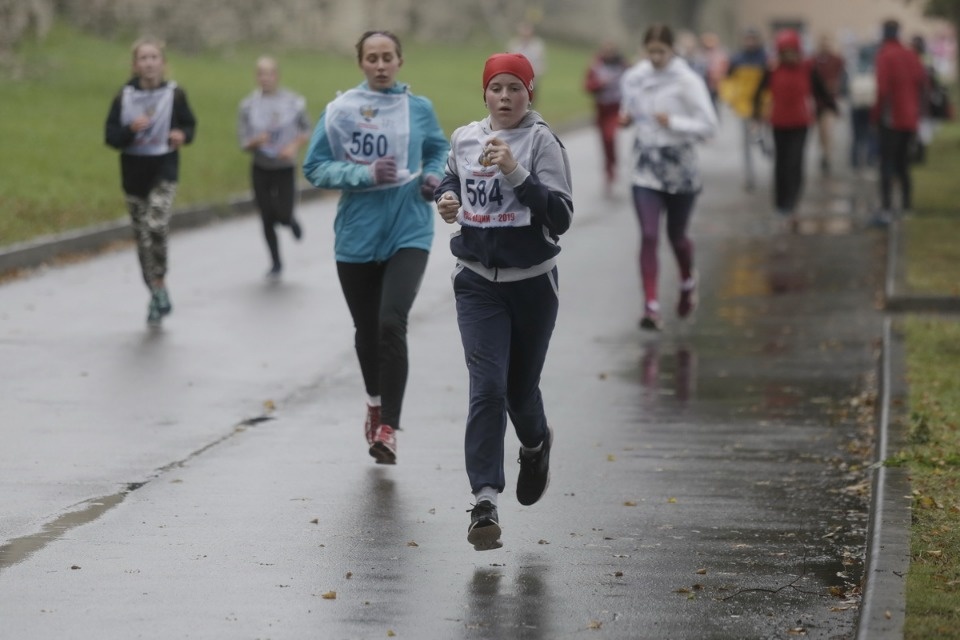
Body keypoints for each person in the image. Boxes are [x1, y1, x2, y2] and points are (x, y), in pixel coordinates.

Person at [434, 53, 573, 551]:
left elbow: (559, 216)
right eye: (497, 88)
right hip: (477, 283)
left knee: (519, 390)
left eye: (516, 88)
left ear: (529, 94)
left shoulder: (542, 142)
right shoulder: (465, 137)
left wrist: (516, 172)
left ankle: (536, 446)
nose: (506, 97)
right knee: (487, 387)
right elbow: (452, 178)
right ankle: (485, 501)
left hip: (533, 283)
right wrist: (447, 199)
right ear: (485, 94)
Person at [302, 30, 449, 465]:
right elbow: (314, 166)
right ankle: (373, 401)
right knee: (367, 332)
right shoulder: (342, 110)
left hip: (410, 230)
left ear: (400, 61)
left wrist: (433, 176)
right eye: (372, 58)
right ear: (361, 64)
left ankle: (388, 426)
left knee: (391, 322)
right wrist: (364, 175)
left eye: (388, 57)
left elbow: (438, 148)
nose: (381, 65)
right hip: (357, 236)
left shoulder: (418, 108)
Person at [619, 23, 718, 331]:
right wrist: (626, 119)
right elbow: (630, 109)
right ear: (644, 50)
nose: (656, 58)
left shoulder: (687, 80)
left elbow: (709, 126)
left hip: (680, 165)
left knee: (677, 236)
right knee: (649, 235)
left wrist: (673, 121)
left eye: (662, 52)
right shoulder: (634, 77)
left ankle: (688, 280)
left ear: (672, 50)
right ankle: (651, 305)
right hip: (646, 163)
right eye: (651, 52)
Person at [104, 36, 197, 327]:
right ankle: (158, 291)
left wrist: (182, 135)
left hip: (164, 169)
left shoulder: (175, 94)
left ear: (163, 63)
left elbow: (189, 124)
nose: (149, 62)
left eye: (154, 57)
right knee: (143, 239)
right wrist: (131, 129)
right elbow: (111, 137)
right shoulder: (124, 96)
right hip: (133, 174)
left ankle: (160, 281)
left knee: (156, 224)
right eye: (143, 58)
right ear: (135, 64)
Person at [753, 29, 836, 226]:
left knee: (795, 162)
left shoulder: (808, 68)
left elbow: (821, 91)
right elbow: (758, 93)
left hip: (801, 123)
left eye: (792, 51)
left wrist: (832, 108)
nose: (789, 56)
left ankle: (792, 203)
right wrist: (756, 115)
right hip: (779, 122)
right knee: (781, 164)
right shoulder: (772, 69)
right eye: (785, 52)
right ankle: (780, 203)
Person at [238, 56, 311, 278]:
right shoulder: (248, 106)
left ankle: (291, 221)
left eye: (269, 73)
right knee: (266, 216)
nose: (265, 78)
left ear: (276, 76)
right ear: (256, 77)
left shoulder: (293, 102)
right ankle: (276, 262)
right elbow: (243, 142)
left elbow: (306, 130)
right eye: (261, 73)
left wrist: (293, 146)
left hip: (285, 166)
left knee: (283, 212)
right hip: (261, 166)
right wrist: (255, 142)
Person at [870, 19, 925, 225]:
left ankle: (886, 207)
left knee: (887, 163)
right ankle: (907, 206)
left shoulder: (885, 56)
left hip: (891, 119)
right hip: (909, 118)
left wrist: (875, 116)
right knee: (904, 164)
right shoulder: (911, 55)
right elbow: (922, 83)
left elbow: (882, 90)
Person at [721, 28, 769, 192]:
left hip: (763, 107)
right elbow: (727, 81)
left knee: (763, 137)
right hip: (743, 107)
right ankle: (749, 177)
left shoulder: (765, 58)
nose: (750, 42)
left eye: (752, 39)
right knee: (746, 144)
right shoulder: (736, 59)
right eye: (747, 39)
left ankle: (764, 145)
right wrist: (730, 98)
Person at [583, 41, 628, 194]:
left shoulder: (623, 65)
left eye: (611, 50)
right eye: (605, 51)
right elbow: (587, 86)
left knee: (611, 137)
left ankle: (612, 165)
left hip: (616, 109)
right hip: (602, 110)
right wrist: (599, 84)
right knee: (604, 141)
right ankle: (609, 168)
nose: (608, 53)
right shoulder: (596, 66)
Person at [810, 35, 846, 175]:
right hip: (817, 101)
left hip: (829, 101)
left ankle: (827, 155)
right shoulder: (813, 62)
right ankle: (824, 152)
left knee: (827, 129)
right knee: (820, 132)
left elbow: (842, 76)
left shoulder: (836, 61)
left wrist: (837, 87)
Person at [507, 23, 546, 103]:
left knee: (530, 103)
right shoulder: (514, 45)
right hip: (516, 80)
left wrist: (536, 76)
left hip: (532, 80)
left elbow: (541, 62)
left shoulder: (537, 46)